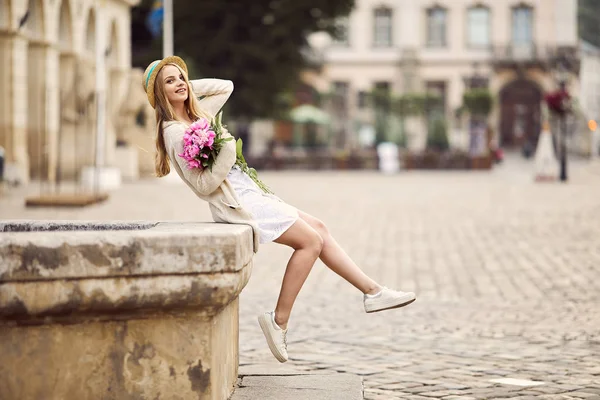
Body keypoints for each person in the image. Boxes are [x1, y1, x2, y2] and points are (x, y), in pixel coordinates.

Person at [142, 56, 416, 363]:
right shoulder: (175, 132)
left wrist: (183, 88)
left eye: (181, 77)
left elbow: (224, 87)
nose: (179, 83)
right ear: (159, 93)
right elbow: (203, 186)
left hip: (250, 191)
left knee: (320, 228)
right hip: (239, 203)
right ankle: (279, 320)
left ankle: (372, 292)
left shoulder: (198, 116)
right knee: (310, 242)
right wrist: (227, 153)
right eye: (170, 81)